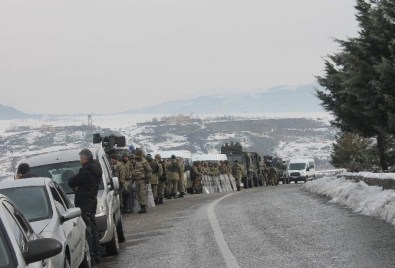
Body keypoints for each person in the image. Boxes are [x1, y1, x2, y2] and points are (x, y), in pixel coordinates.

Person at [68, 148, 102, 265]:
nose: (80, 160)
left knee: (88, 228)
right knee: (93, 227)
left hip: (84, 202)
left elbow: (71, 182)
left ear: (85, 158)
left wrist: (77, 187)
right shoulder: (95, 168)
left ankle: (92, 253)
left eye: (81, 158)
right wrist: (79, 187)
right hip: (91, 199)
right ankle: (97, 253)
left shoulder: (86, 171)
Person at [131, 149, 152, 214]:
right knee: (138, 194)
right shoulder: (135, 162)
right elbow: (133, 170)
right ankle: (141, 206)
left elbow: (149, 170)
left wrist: (148, 178)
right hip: (137, 180)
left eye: (138, 155)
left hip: (143, 180)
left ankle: (143, 207)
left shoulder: (144, 162)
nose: (137, 157)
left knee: (142, 194)